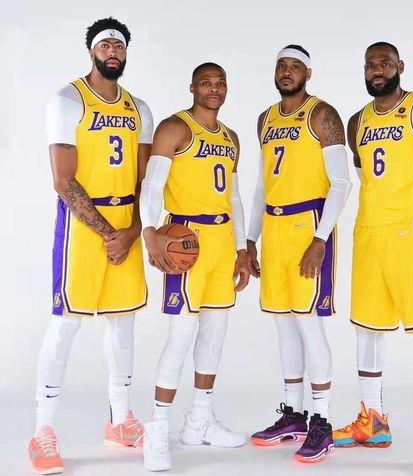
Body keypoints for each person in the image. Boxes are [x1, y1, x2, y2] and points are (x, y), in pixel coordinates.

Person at [28, 17, 153, 475]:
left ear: (126, 53)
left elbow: (145, 182)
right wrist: (108, 234)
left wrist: (133, 231)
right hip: (83, 228)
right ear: (92, 52)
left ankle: (120, 421)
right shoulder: (68, 99)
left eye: (119, 45)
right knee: (66, 324)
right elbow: (63, 181)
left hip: (127, 223)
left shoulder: (140, 109)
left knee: (123, 325)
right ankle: (42, 430)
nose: (112, 51)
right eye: (105, 45)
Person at [332, 42, 413, 476]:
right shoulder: (357, 121)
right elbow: (366, 174)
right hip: (370, 231)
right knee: (367, 328)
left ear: (400, 67)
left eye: (385, 63)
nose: (377, 70)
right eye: (370, 64)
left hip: (412, 231)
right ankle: (373, 419)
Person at [139, 62, 250, 471]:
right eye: (206, 83)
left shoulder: (231, 137)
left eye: (220, 83)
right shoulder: (175, 128)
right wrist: (150, 231)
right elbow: (151, 185)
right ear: (192, 87)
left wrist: (241, 248)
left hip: (222, 243)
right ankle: (157, 427)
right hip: (186, 240)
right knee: (182, 333)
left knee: (215, 333)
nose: (214, 89)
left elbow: (234, 198)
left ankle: (199, 421)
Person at [247, 45, 351, 463]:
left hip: (309, 225)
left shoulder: (322, 114)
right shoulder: (265, 119)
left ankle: (322, 421)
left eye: (295, 67)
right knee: (284, 325)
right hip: (273, 228)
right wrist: (250, 239)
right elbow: (262, 185)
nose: (287, 72)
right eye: (281, 66)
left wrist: (320, 238)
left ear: (308, 73)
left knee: (309, 325)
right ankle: (294, 414)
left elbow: (341, 183)